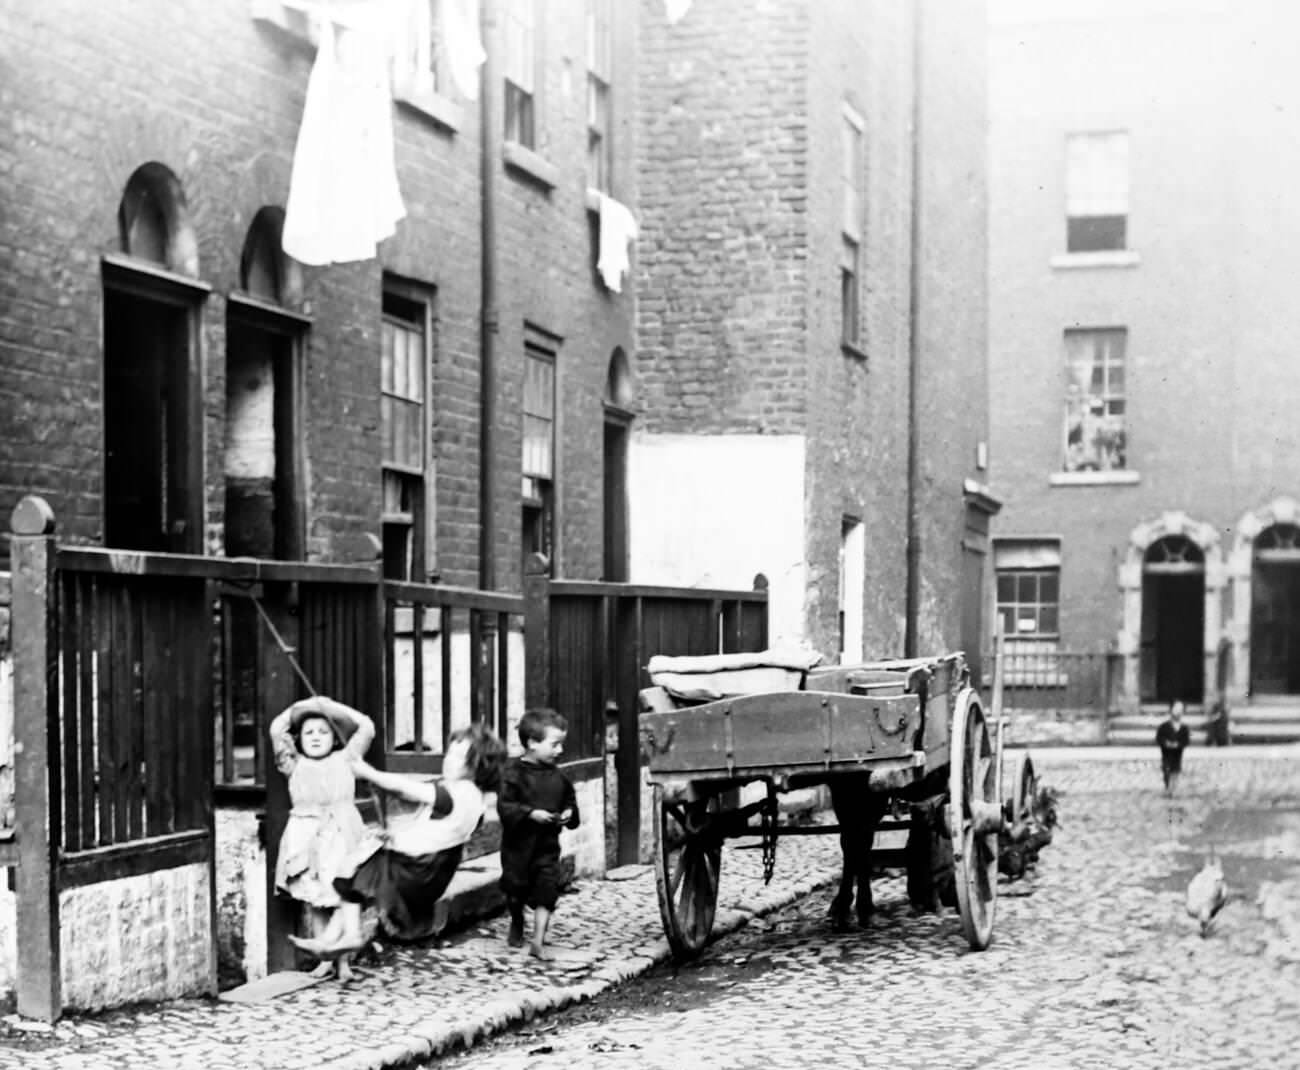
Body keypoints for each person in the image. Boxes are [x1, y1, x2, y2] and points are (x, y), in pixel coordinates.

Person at [290, 721, 507, 961]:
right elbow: (437, 831)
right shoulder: (477, 801)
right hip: (435, 872)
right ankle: (328, 941)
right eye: (449, 753)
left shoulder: (455, 793)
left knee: (351, 867)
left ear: (478, 766)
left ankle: (347, 935)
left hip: (413, 868)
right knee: (356, 880)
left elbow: (406, 789)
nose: (448, 760)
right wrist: (396, 836)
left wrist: (368, 773)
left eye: (458, 757)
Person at [269, 695, 375, 982]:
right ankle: (324, 961)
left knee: (343, 895)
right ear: (299, 740)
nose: (316, 737)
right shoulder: (293, 764)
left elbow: (366, 726)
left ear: (336, 738)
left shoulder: (346, 759)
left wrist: (329, 707)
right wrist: (304, 706)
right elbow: (276, 730)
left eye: (324, 731)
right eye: (309, 732)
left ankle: (343, 963)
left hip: (341, 833)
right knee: (315, 898)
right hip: (307, 836)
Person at [498, 708, 580, 961]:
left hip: (547, 847)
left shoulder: (559, 777)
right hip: (518, 848)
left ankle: (537, 941)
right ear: (533, 743)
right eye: (554, 745)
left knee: (547, 889)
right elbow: (505, 806)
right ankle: (517, 920)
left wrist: (568, 812)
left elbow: (570, 800)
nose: (560, 751)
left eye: (561, 745)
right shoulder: (512, 773)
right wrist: (530, 813)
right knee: (515, 890)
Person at [1155, 700, 1191, 797]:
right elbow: (1159, 738)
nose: (1178, 712)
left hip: (1177, 754)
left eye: (1180, 710)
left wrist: (1178, 744)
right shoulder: (1164, 726)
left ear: (1183, 712)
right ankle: (1168, 787)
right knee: (1166, 769)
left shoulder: (1184, 728)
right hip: (1166, 753)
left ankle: (1173, 789)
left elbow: (1186, 741)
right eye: (1175, 709)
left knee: (1175, 770)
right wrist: (1165, 743)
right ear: (1171, 711)